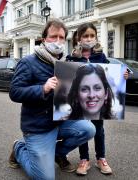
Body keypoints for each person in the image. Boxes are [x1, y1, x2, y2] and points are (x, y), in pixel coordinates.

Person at [8, 19, 96, 180]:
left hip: (60, 121)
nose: (58, 41)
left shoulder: (66, 64)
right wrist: (43, 88)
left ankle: (56, 154)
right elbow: (14, 92)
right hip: (38, 127)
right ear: (43, 39)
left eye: (61, 37)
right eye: (53, 37)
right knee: (45, 178)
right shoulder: (28, 62)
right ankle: (19, 148)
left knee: (88, 129)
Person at [66, 22, 128, 175]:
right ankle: (84, 159)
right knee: (83, 130)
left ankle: (101, 158)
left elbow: (110, 75)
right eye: (85, 36)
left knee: (99, 130)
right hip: (81, 103)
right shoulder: (71, 58)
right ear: (78, 39)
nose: (89, 39)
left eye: (92, 35)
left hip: (97, 105)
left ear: (96, 37)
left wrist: (122, 76)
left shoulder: (101, 56)